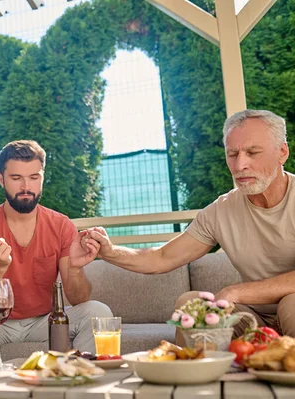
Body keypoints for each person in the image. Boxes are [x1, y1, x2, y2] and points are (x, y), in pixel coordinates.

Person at [80, 109, 295, 340]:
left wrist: (236, 291)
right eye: (232, 154)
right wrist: (110, 252)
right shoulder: (220, 211)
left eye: (253, 152)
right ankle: (194, 373)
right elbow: (161, 258)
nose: (240, 164)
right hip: (253, 317)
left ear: (282, 152)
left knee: (290, 304)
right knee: (190, 303)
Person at [0, 140, 113, 366]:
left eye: (34, 177)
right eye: (16, 178)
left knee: (99, 312)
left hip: (45, 322)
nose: (26, 186)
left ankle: (77, 382)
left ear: (42, 178)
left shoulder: (61, 226)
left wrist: (75, 269)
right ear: (1, 179)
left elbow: (79, 298)